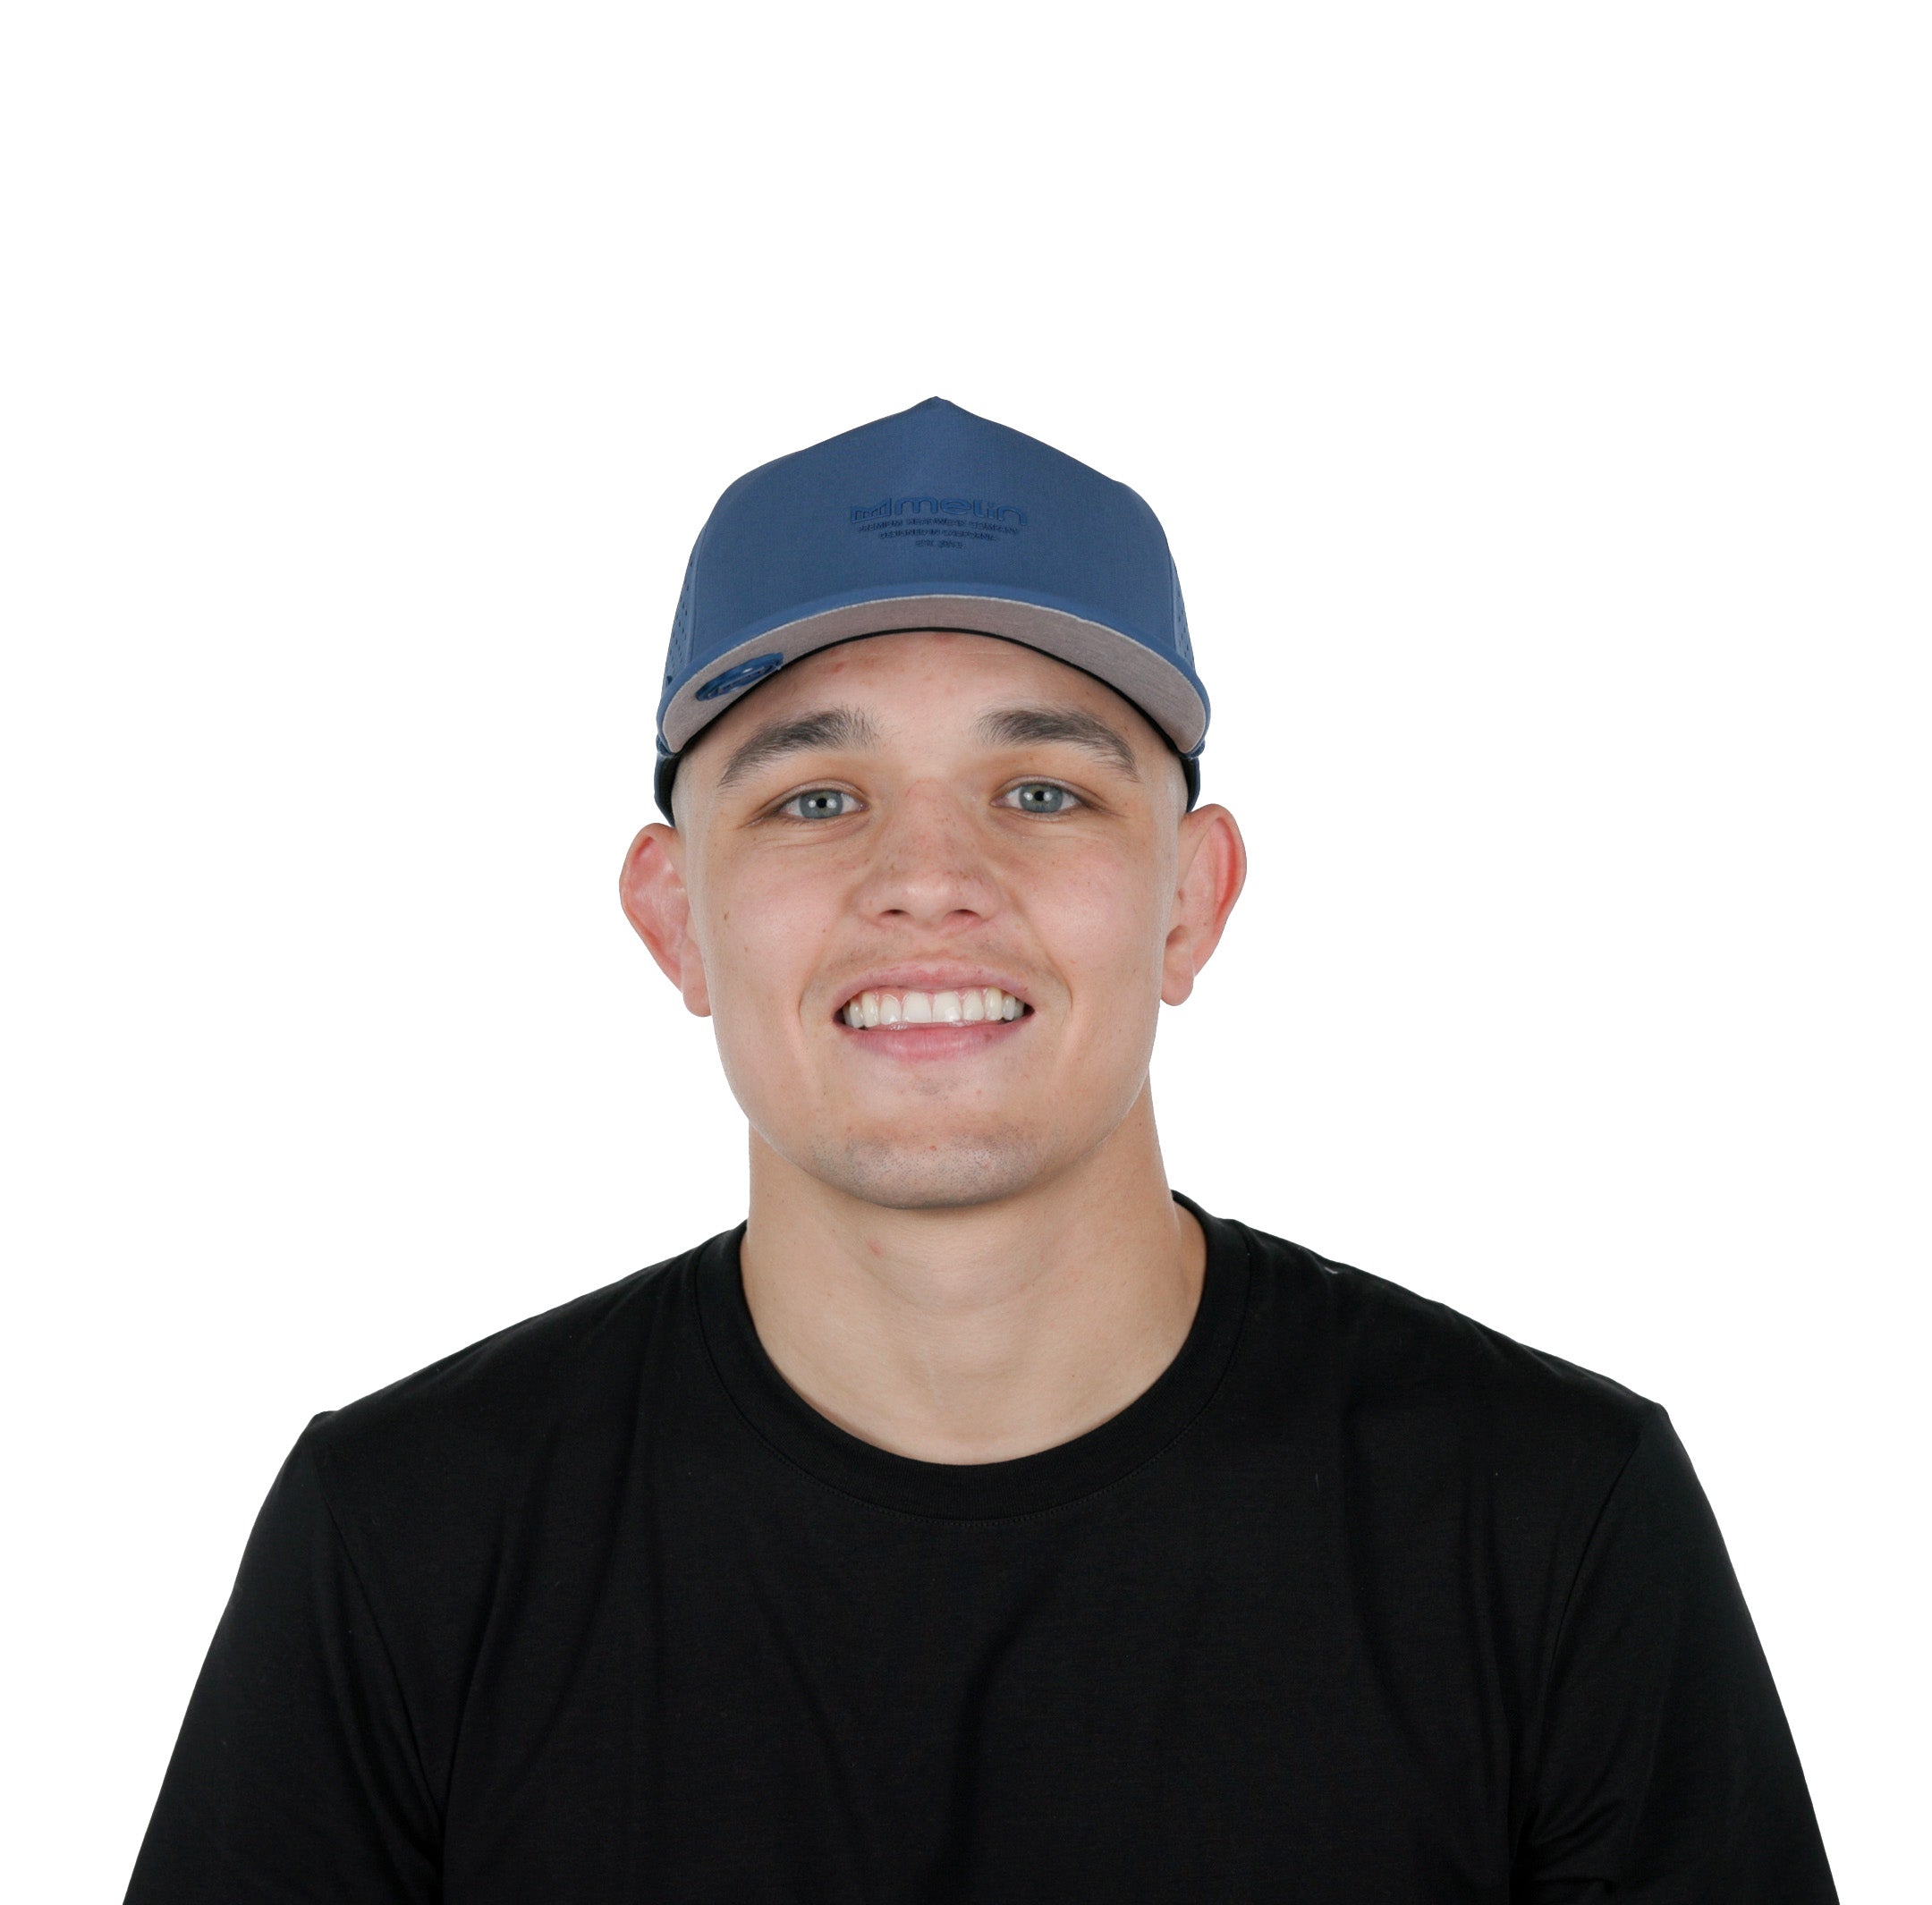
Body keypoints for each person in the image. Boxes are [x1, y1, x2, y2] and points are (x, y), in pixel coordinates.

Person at [125, 398, 1838, 1901]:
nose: (929, 879)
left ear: (1192, 899)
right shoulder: (411, 1543)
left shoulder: (1545, 1525)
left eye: (1042, 792)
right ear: (676, 919)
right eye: (814, 798)